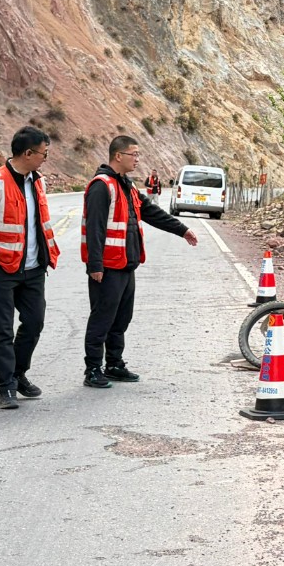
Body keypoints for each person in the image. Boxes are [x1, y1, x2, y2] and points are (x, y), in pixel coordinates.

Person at [80, 134, 197, 387]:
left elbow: (151, 212)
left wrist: (181, 229)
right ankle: (92, 369)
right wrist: (95, 266)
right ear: (118, 156)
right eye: (134, 154)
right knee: (102, 319)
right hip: (107, 267)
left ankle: (113, 364)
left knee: (121, 319)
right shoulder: (102, 186)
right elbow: (95, 229)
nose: (138, 159)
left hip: (126, 264)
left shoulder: (127, 185)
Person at [0, 125, 59, 410]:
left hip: (33, 269)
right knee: (2, 331)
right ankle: (6, 386)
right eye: (43, 153)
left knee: (34, 323)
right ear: (28, 153)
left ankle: (19, 374)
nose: (46, 158)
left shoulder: (38, 181)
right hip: (3, 271)